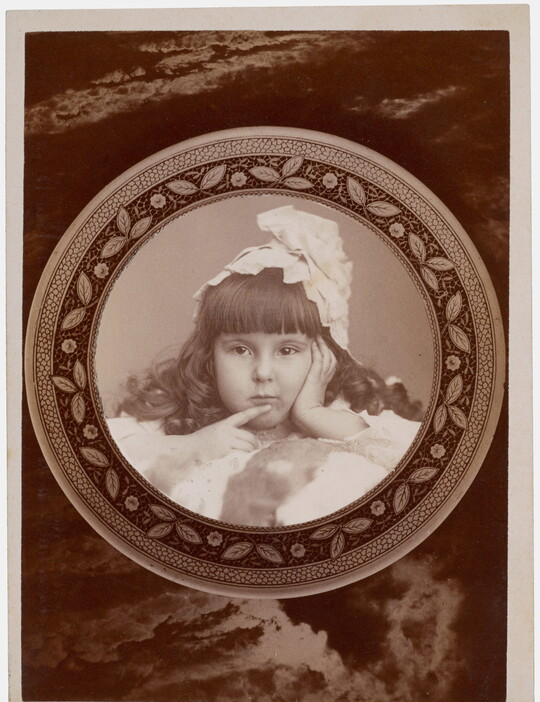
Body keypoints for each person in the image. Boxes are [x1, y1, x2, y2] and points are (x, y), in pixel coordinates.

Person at [107, 206, 422, 524]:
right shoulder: (182, 415)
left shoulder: (343, 409)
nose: (263, 373)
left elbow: (419, 458)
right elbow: (106, 450)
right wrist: (190, 446)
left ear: (321, 354)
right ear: (210, 357)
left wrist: (313, 415)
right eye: (240, 350)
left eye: (287, 350)